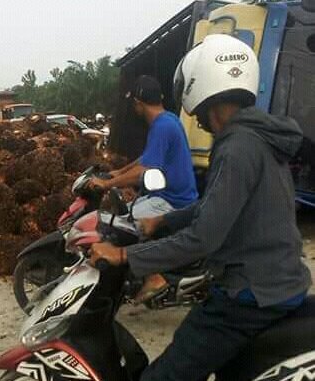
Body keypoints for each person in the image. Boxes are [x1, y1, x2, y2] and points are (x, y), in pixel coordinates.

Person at [88, 34, 312, 380]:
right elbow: (217, 205)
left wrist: (125, 257)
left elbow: (203, 237)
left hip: (249, 295)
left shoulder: (237, 148)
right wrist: (163, 219)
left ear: (202, 84)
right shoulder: (258, 138)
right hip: (280, 281)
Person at [88, 75, 198, 302]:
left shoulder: (162, 126)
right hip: (168, 195)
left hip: (172, 201)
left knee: (125, 225)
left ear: (138, 103)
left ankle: (154, 275)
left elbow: (144, 171)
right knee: (123, 215)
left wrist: (107, 184)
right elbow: (144, 159)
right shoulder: (167, 120)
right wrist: (117, 173)